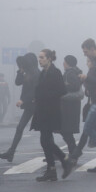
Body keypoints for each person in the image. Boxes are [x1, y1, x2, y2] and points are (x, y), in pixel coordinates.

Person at [63, 39, 96, 177]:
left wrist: (87, 78)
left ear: (92, 48)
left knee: (88, 128)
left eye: (86, 52)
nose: (85, 55)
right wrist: (86, 82)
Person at [0, 53, 40, 162]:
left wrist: (23, 100)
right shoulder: (27, 73)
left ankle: (56, 153)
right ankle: (11, 152)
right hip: (29, 106)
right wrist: (20, 71)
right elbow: (17, 82)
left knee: (45, 131)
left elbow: (34, 90)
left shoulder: (36, 73)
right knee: (19, 128)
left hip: (37, 105)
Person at [32, 49, 67, 182]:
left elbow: (62, 90)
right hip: (42, 110)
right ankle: (53, 168)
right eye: (39, 57)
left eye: (42, 57)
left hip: (51, 111)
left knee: (45, 140)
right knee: (45, 140)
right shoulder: (43, 73)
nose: (39, 60)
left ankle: (61, 161)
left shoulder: (55, 72)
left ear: (49, 59)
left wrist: (45, 96)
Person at [60, 55, 83, 154]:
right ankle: (73, 151)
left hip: (69, 107)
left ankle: (74, 151)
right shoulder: (72, 72)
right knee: (65, 130)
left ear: (68, 63)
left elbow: (75, 86)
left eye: (64, 61)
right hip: (71, 106)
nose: (63, 63)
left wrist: (63, 86)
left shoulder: (70, 73)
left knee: (65, 130)